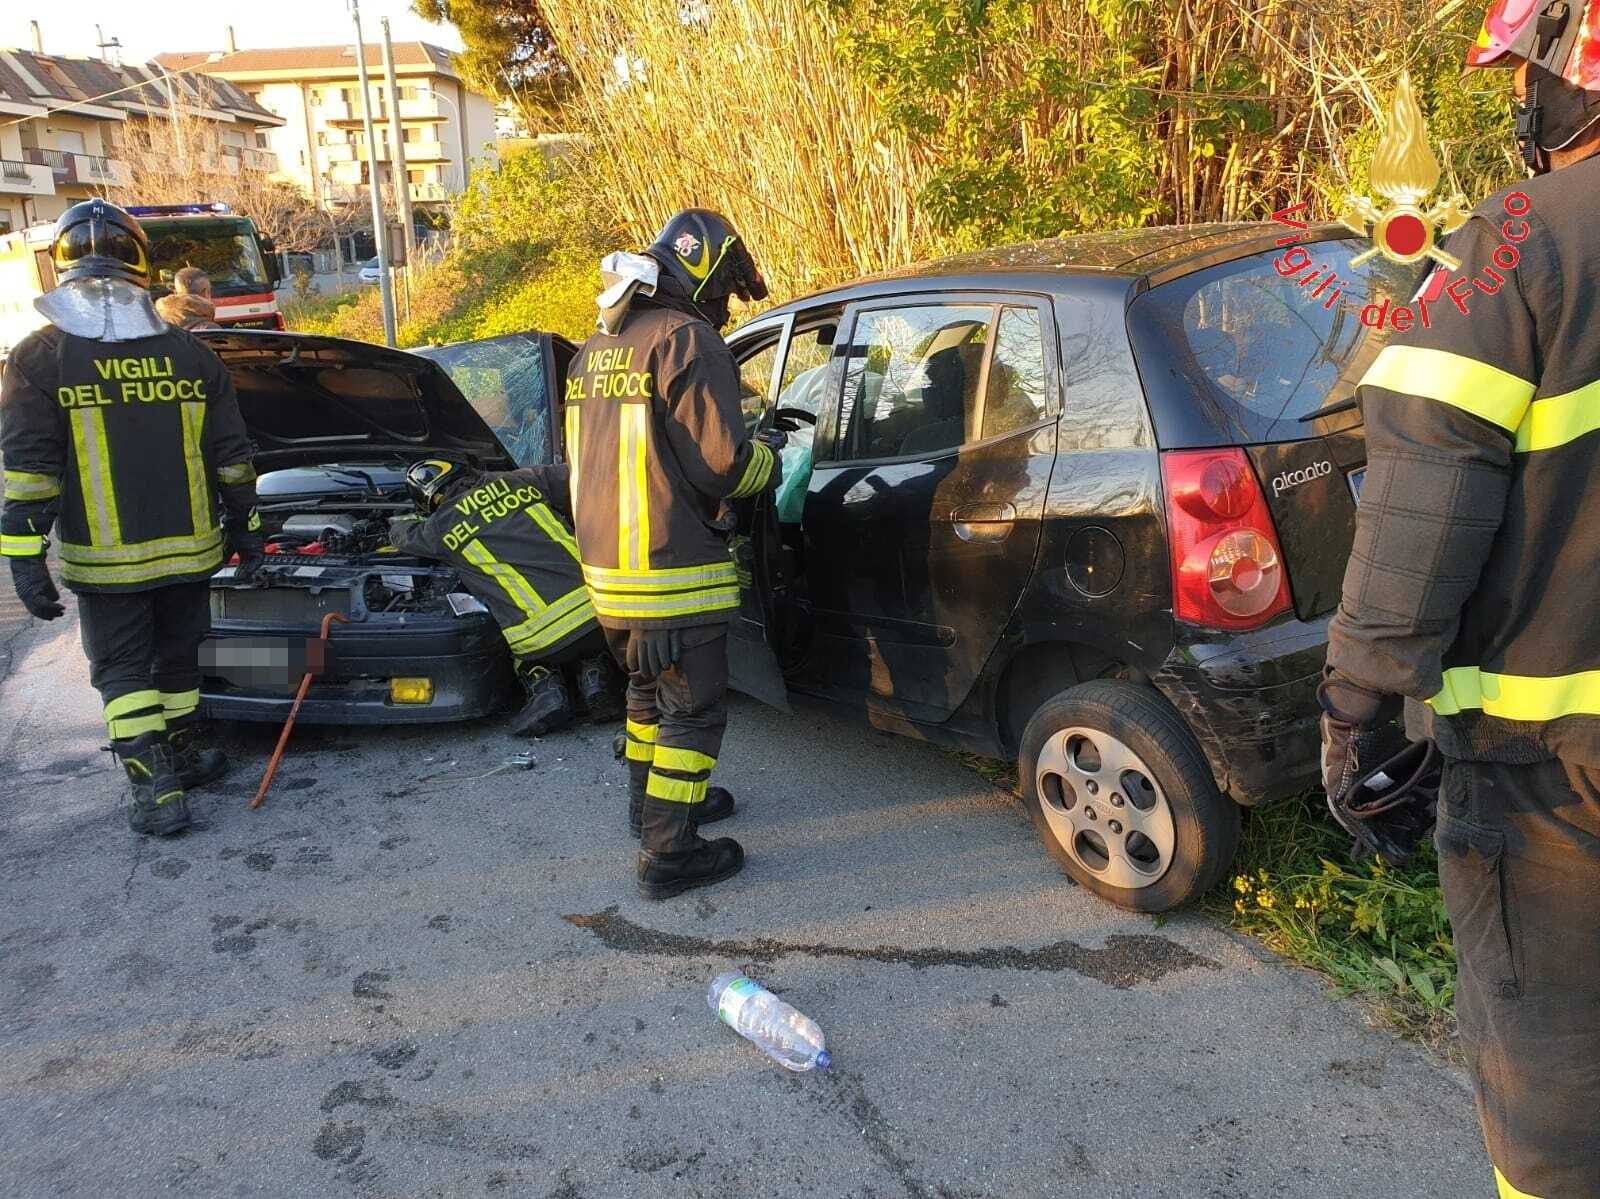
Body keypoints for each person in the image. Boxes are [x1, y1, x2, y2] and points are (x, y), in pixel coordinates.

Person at [1321, 6, 1600, 1196]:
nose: (1522, 105)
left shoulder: (1518, 244)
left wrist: (1356, 712)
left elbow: (1419, 507)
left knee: (1553, 1089)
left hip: (1551, 778)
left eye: (1529, 77)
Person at [0, 199, 262, 836]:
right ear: (143, 261)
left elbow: (30, 469)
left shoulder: (40, 357)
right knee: (177, 659)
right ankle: (181, 756)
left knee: (121, 670)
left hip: (105, 559)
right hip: (191, 549)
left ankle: (157, 788)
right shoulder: (190, 354)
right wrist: (247, 531)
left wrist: (23, 555)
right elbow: (232, 458)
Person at [566, 208, 781, 899]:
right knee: (692, 709)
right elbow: (723, 464)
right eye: (723, 291)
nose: (723, 308)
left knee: (645, 691)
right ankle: (671, 852)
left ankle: (649, 809)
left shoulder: (597, 348)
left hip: (609, 574)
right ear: (703, 274)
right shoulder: (687, 340)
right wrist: (776, 466)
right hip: (672, 569)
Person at [386, 458, 622, 735]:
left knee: (518, 647)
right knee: (587, 643)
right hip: (605, 614)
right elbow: (580, 475)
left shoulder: (437, 529)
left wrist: (398, 519)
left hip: (542, 640)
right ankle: (596, 678)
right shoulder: (519, 480)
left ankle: (546, 690)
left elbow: (402, 535)